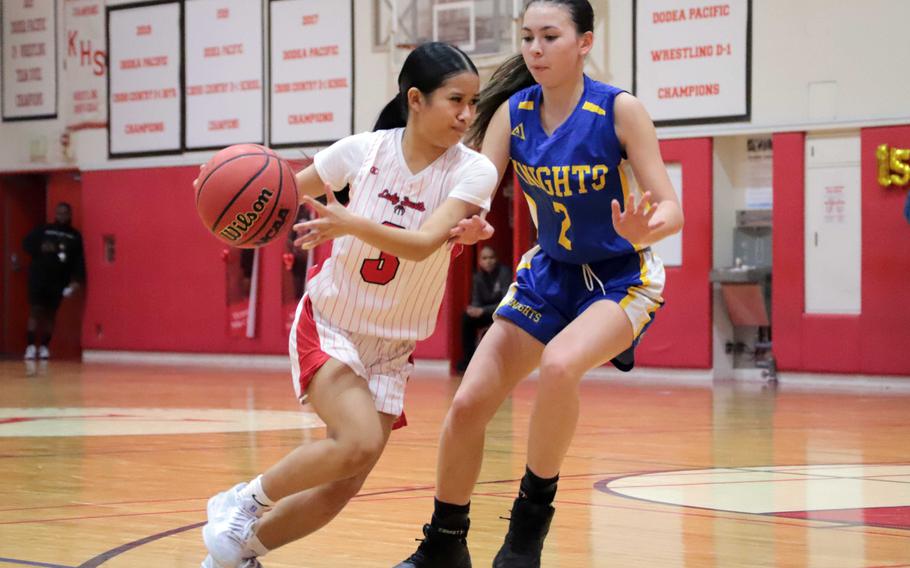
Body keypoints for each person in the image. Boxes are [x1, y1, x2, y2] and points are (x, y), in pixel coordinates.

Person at [394, 1, 684, 567]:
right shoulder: (512, 112)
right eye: (527, 37)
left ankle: (528, 527)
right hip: (549, 272)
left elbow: (673, 209)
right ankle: (444, 544)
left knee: (558, 366)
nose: (535, 48)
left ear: (584, 43)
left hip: (620, 276)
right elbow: (476, 189)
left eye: (550, 36)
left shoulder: (619, 111)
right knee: (468, 405)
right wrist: (471, 223)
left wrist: (647, 223)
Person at [198, 42, 498, 568]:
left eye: (473, 103)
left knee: (342, 485)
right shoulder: (362, 152)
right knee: (357, 441)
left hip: (394, 344)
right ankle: (242, 500)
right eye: (456, 100)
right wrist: (222, 187)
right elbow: (280, 192)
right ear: (416, 99)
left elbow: (425, 242)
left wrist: (346, 222)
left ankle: (237, 554)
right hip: (332, 321)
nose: (467, 114)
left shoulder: (472, 171)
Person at [22, 202, 85, 360]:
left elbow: (78, 261)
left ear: (70, 215)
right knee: (35, 311)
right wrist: (41, 247)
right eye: (59, 213)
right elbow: (26, 243)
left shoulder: (75, 236)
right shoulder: (44, 230)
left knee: (51, 314)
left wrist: (76, 281)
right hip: (39, 277)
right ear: (55, 214)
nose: (62, 216)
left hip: (58, 280)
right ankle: (30, 347)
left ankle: (44, 347)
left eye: (65, 213)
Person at [456, 245, 512, 373]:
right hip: (486, 313)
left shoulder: (504, 273)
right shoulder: (478, 277)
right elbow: (476, 300)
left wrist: (483, 310)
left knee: (505, 317)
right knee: (466, 318)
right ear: (480, 261)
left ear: (496, 259)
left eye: (491, 257)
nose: (488, 261)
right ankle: (468, 360)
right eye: (485, 258)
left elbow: (506, 301)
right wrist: (474, 310)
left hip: (500, 313)